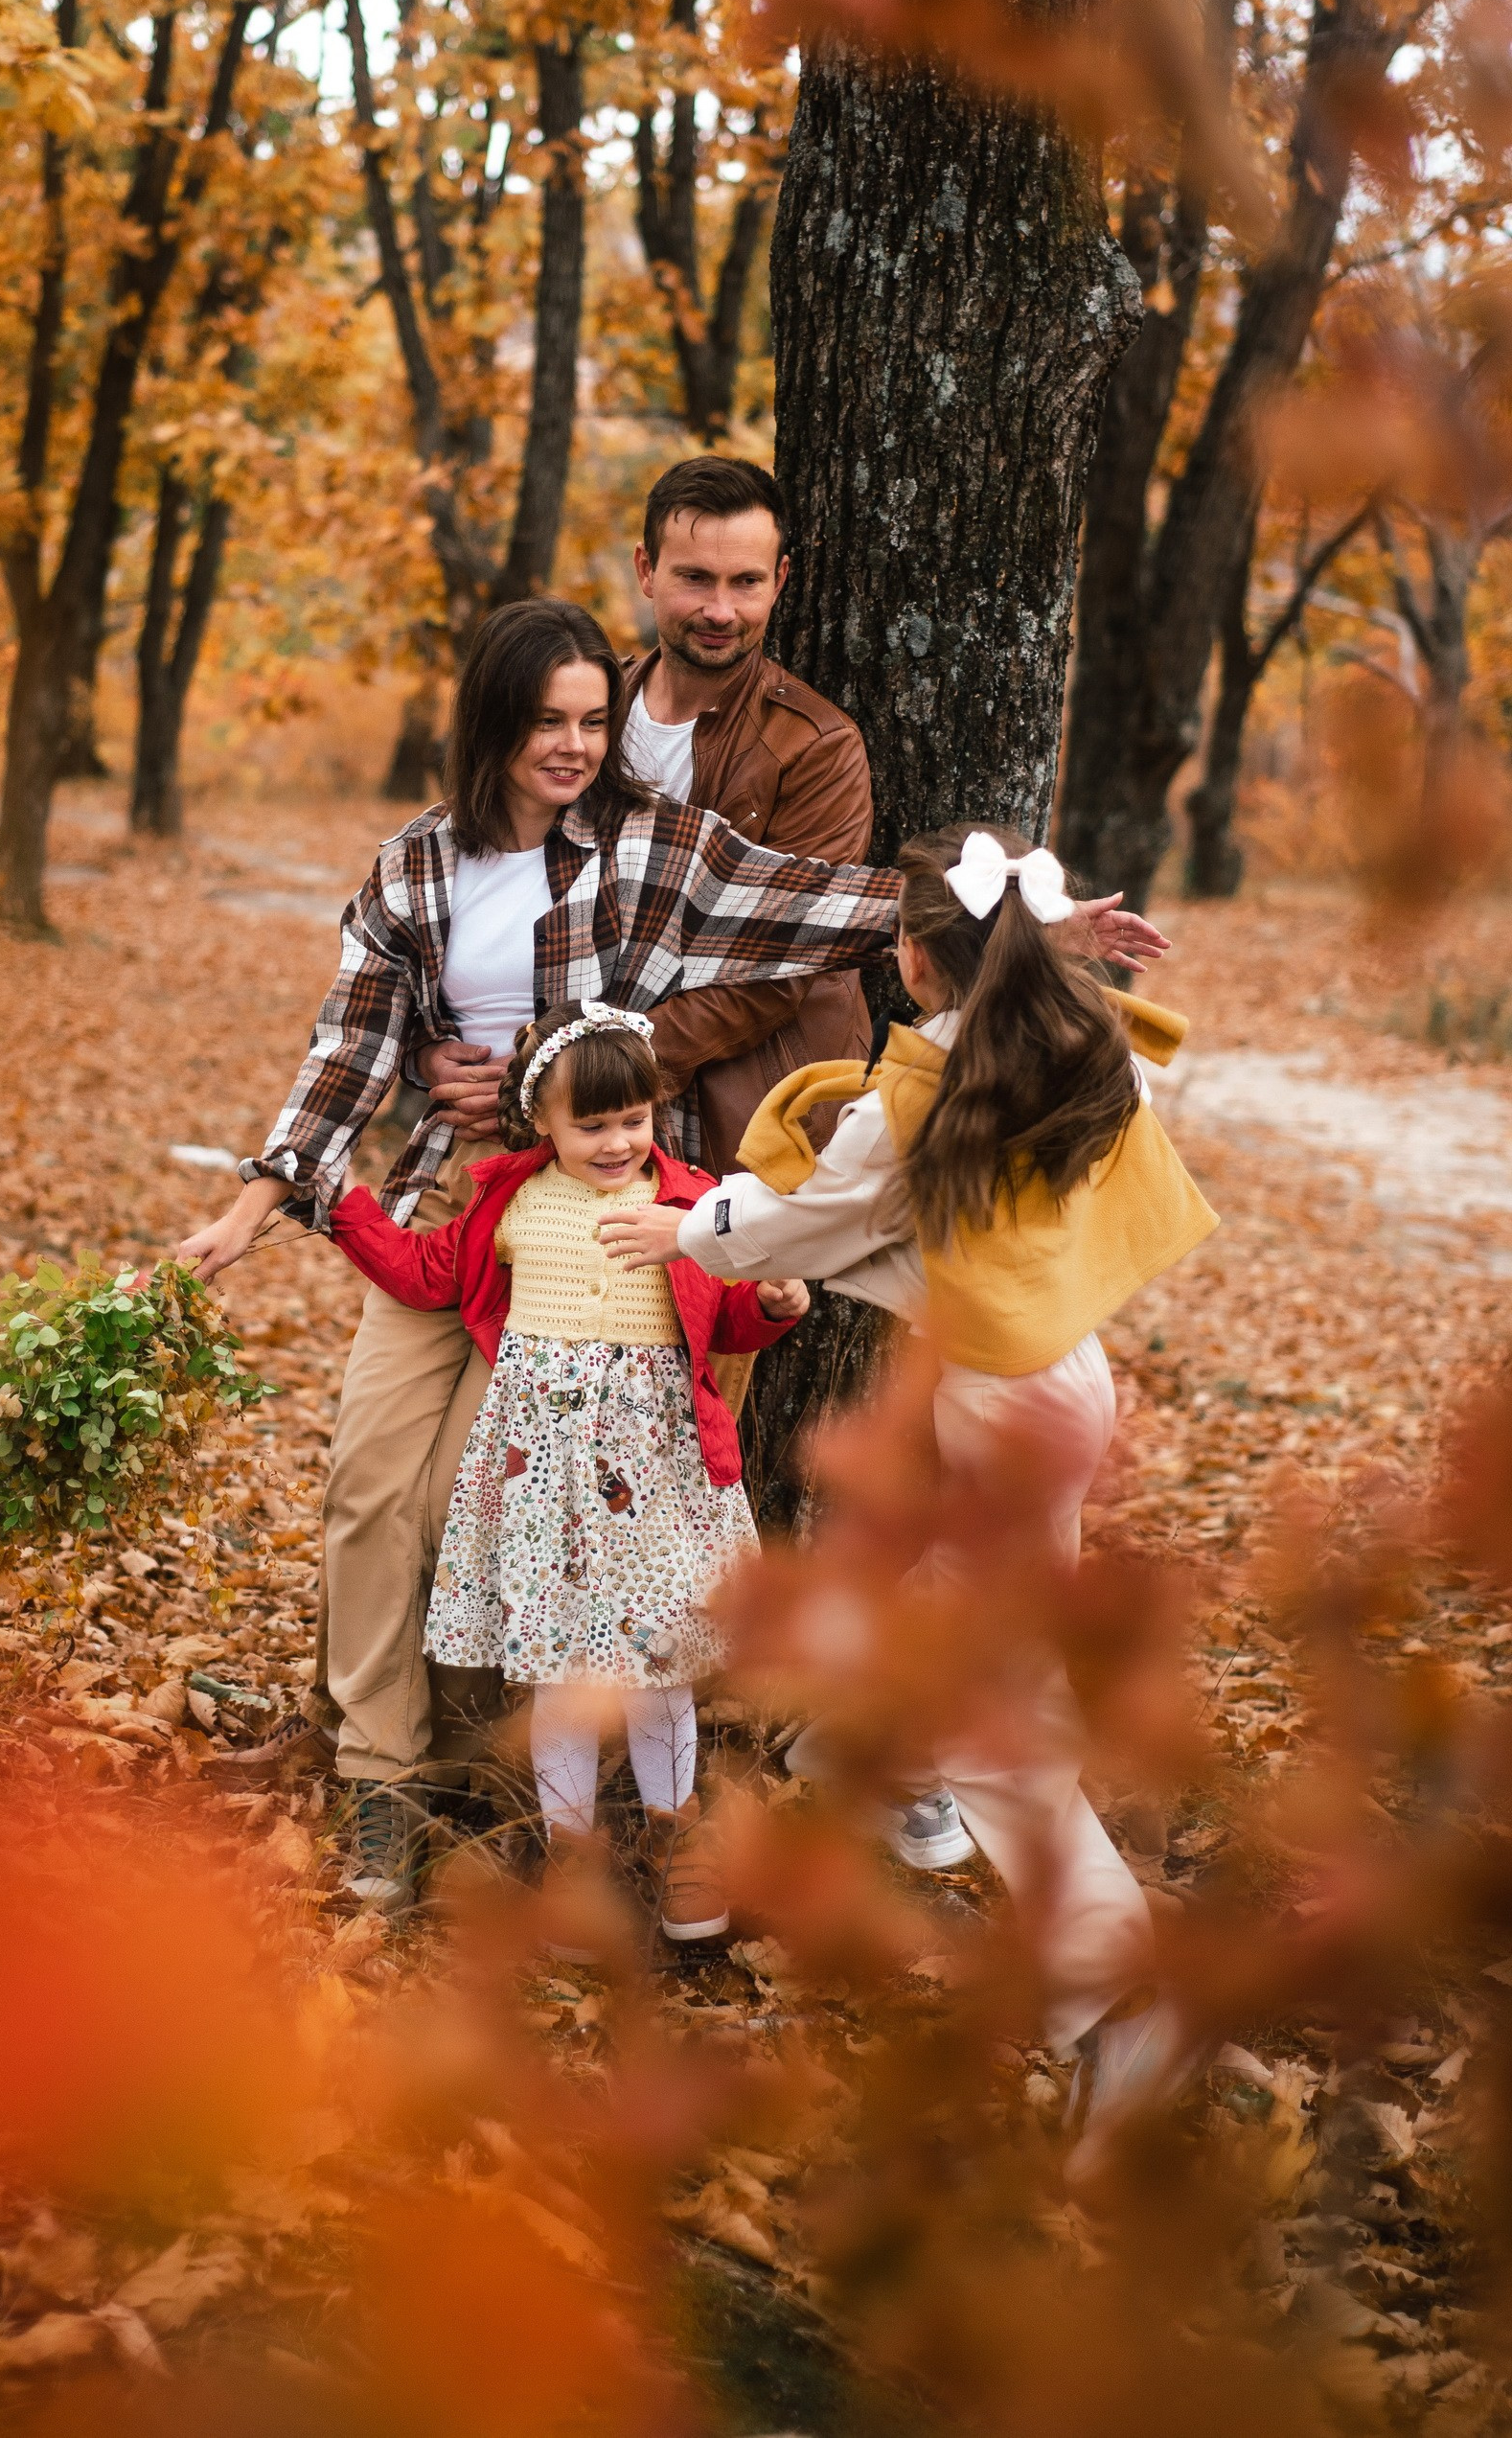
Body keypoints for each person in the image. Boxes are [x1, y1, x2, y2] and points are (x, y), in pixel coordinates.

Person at [175, 605, 1165, 1912]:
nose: (576, 745)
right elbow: (351, 1041)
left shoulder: (654, 845)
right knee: (369, 1485)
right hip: (449, 1211)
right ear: (493, 726)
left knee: (481, 1509)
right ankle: (379, 1775)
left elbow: (818, 902)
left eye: (594, 719)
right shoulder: (414, 868)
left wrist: (1039, 928)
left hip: (592, 1244)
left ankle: (505, 1771)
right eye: (548, 722)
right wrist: (260, 1196)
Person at [598, 824, 1217, 2162]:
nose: (887, 960)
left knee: (1007, 1718)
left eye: (898, 943)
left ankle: (1121, 2004)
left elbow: (811, 1221)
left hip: (1003, 1411)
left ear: (932, 964)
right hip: (1052, 1383)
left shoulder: (917, 1096)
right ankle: (886, 1766)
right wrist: (1054, 952)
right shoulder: (1070, 1049)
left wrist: (684, 1227)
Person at [323, 1002, 808, 1937]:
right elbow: (428, 1273)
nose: (617, 1141)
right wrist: (343, 1207)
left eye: (632, 1119)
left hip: (653, 1477)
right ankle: (569, 1855)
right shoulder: (509, 1200)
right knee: (557, 1675)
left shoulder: (690, 1201)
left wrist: (775, 1305)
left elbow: (727, 1317)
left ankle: (675, 1835)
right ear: (539, 1121)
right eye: (591, 1124)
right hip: (541, 1480)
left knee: (660, 1667)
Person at [424, 455, 875, 1180]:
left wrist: (558, 1070)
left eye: (746, 582)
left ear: (780, 581)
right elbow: (500, 890)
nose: (721, 610)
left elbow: (781, 969)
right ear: (646, 570)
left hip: (737, 1119)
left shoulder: (815, 746)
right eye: (695, 577)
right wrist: (430, 1045)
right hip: (573, 1132)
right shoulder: (588, 710)